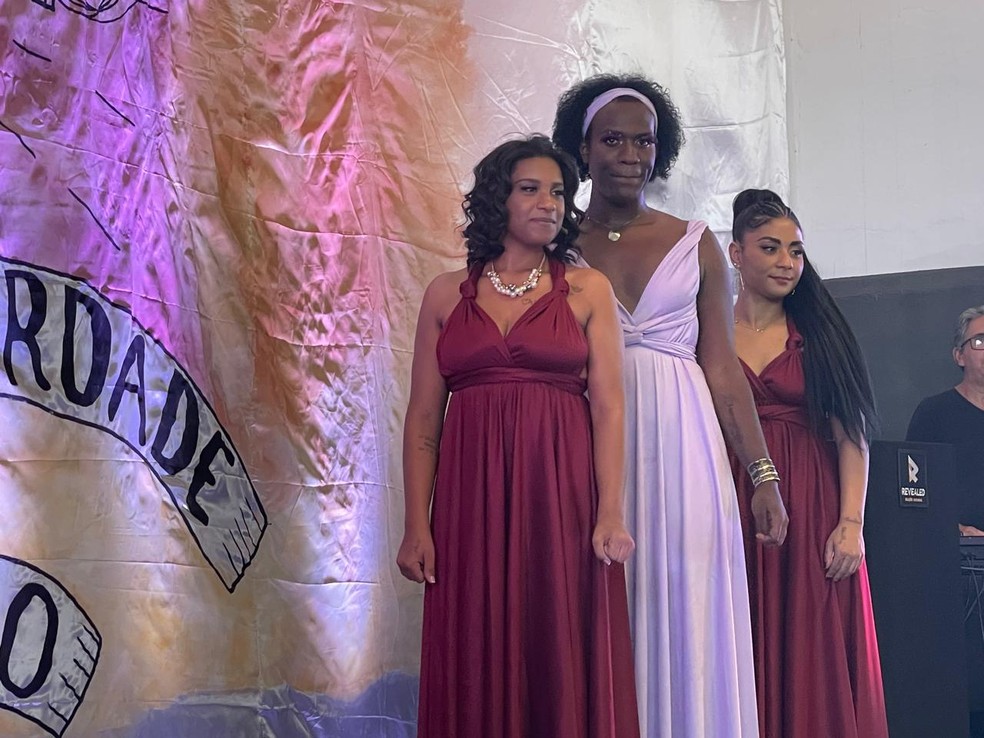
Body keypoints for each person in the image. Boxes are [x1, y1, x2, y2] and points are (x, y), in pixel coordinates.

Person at [552, 74, 787, 738]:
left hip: (686, 443)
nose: (630, 154)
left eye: (644, 141)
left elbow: (723, 367)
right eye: (613, 140)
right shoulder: (556, 244)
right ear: (583, 148)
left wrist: (762, 475)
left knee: (686, 599)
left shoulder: (696, 240)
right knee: (602, 600)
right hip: (589, 440)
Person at [396, 134, 640, 738]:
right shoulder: (445, 293)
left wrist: (611, 512)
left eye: (557, 192)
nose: (548, 203)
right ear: (497, 199)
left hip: (560, 496)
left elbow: (609, 408)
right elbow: (423, 422)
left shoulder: (587, 289)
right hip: (469, 504)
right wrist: (417, 525)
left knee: (558, 638)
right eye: (530, 189)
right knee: (474, 640)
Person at [727, 189, 888, 738]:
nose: (786, 262)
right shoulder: (707, 333)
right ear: (735, 254)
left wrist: (851, 524)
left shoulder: (820, 336)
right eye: (770, 248)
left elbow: (852, 435)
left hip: (811, 504)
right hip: (733, 499)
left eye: (795, 251)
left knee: (811, 642)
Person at [907, 305, 984, 535]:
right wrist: (957, 530)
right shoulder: (933, 413)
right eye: (980, 341)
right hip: (958, 549)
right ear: (959, 356)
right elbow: (913, 492)